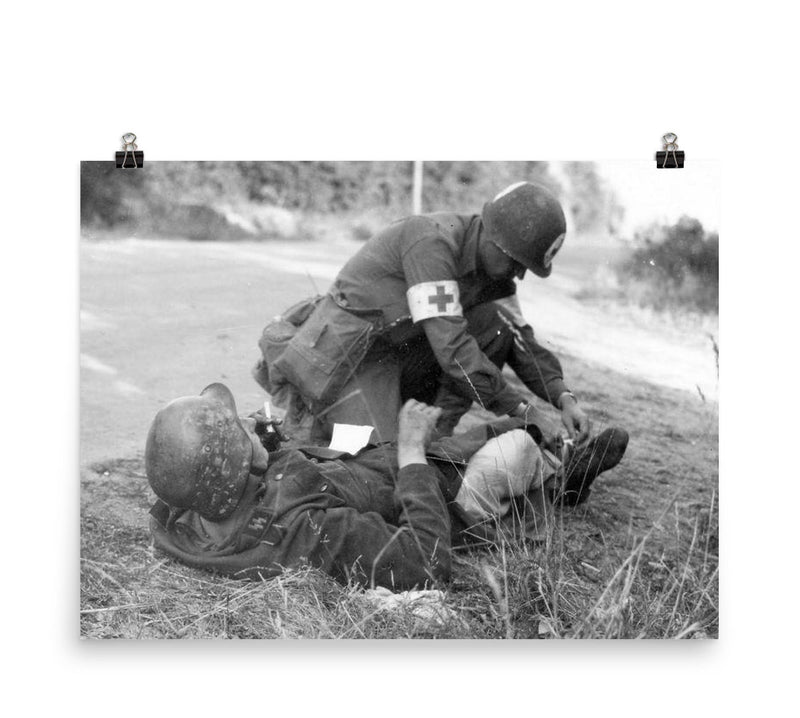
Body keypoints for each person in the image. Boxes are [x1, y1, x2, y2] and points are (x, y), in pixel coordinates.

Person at [145, 383, 628, 590]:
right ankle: (564, 484)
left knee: (491, 429)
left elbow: (201, 465)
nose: (249, 429)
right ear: (235, 465)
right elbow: (426, 560)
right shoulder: (308, 533)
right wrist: (414, 455)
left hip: (372, 466)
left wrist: (262, 442)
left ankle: (557, 460)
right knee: (516, 446)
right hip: (436, 502)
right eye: (241, 435)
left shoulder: (191, 511)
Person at [254, 180, 589, 448]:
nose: (520, 275)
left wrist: (563, 398)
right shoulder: (432, 244)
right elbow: (453, 350)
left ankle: (436, 441)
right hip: (348, 360)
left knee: (495, 326)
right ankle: (296, 434)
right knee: (370, 462)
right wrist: (524, 411)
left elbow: (519, 339)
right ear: (494, 238)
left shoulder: (491, 272)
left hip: (397, 355)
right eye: (518, 262)